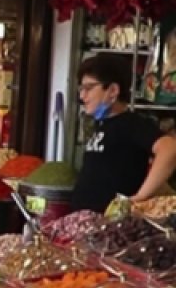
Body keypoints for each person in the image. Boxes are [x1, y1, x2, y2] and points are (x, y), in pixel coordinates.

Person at [72, 55, 176, 212]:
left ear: (113, 90)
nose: (82, 96)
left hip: (112, 227)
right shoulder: (100, 125)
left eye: (89, 88)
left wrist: (140, 197)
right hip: (86, 224)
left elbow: (170, 149)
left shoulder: (131, 123)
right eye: (81, 89)